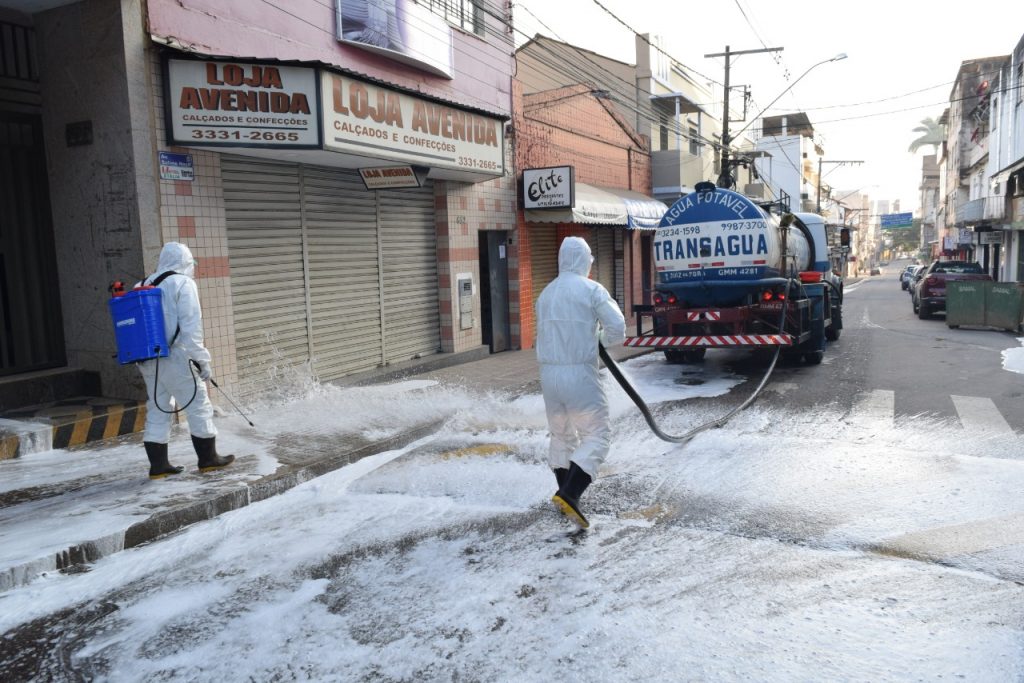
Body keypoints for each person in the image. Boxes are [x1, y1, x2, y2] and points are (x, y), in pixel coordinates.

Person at [535, 236, 626, 529]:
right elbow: (617, 328)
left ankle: (564, 496)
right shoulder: (591, 289)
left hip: (549, 376)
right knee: (597, 434)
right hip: (579, 374)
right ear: (584, 260)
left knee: (561, 435)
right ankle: (571, 494)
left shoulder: (546, 294)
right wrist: (601, 339)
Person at [137, 242, 234, 479]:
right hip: (176, 356)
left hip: (148, 359)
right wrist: (203, 360)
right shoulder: (183, 283)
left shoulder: (142, 284)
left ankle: (158, 466)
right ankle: (209, 459)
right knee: (198, 405)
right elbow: (191, 328)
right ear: (186, 262)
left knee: (158, 408)